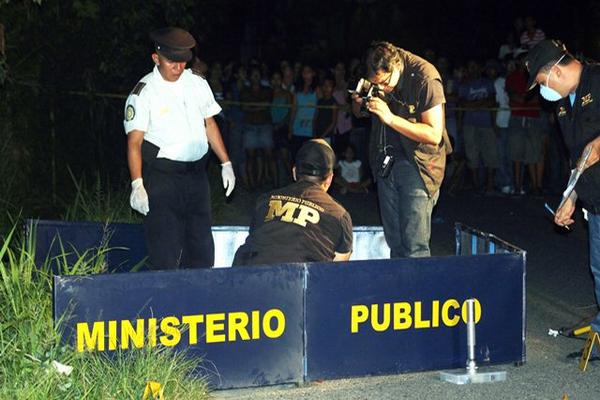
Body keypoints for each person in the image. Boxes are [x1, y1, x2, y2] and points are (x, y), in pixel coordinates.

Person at [124, 27, 235, 270]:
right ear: (156, 58)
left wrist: (225, 162)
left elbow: (209, 123)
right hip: (163, 179)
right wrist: (137, 184)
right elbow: (134, 143)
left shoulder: (196, 83)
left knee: (201, 247)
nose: (178, 67)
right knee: (166, 249)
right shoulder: (144, 92)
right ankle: (165, 303)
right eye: (172, 62)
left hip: (196, 176)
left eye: (183, 62)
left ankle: (200, 301)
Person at [526, 39, 600, 344]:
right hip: (594, 199)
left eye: (542, 83)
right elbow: (575, 157)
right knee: (599, 268)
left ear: (554, 71)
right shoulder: (561, 103)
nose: (544, 92)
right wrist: (570, 196)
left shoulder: (597, 79)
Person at [351, 41, 450, 258]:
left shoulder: (425, 77)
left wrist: (390, 118)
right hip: (385, 159)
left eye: (386, 82)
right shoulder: (378, 77)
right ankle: (399, 291)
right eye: (377, 84)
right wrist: (358, 102)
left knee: (414, 245)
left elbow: (434, 134)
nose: (383, 88)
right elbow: (359, 115)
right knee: (395, 242)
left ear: (396, 66)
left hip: (417, 163)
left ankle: (418, 291)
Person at [232, 139, 353, 266]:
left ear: (294, 172)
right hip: (301, 281)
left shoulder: (265, 200)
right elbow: (339, 271)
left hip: (246, 277)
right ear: (329, 179)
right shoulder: (339, 215)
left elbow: (255, 239)